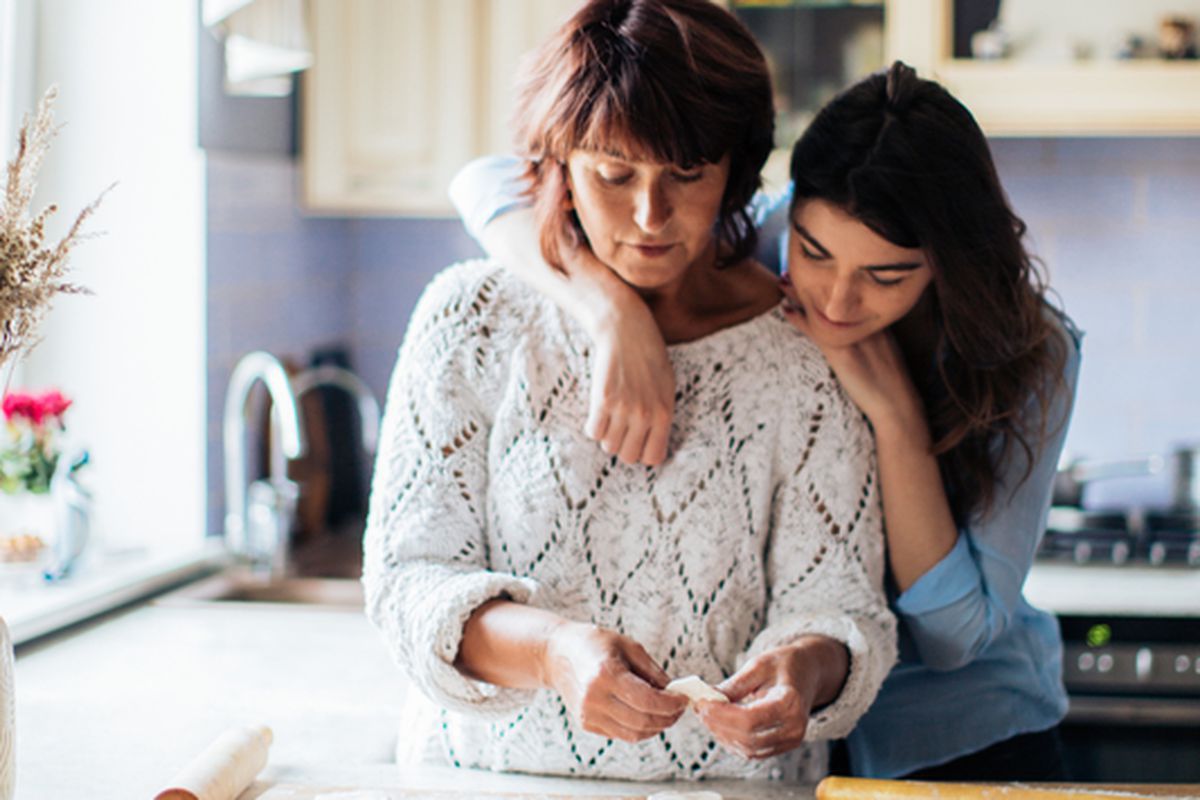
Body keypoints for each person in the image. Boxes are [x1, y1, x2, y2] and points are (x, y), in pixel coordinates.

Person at [449, 61, 1081, 781]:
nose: (838, 300)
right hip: (785, 752)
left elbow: (954, 637)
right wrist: (610, 314)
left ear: (945, 263)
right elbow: (488, 183)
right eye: (814, 254)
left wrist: (896, 420)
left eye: (887, 275)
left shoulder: (1033, 351)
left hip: (959, 740)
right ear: (791, 210)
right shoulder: (758, 236)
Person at [362, 0, 897, 784]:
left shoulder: (802, 352)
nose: (650, 216)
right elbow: (409, 582)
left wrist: (804, 672)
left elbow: (846, 607)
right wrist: (552, 652)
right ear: (559, 167)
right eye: (614, 174)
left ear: (736, 172)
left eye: (688, 175)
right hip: (483, 783)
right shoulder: (472, 318)